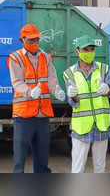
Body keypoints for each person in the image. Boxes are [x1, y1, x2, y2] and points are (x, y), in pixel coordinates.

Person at [6, 24, 66, 173]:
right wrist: (29, 91)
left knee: (42, 159)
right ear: (22, 40)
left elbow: (51, 79)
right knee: (19, 161)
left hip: (42, 115)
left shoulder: (45, 57)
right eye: (31, 40)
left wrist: (57, 90)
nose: (34, 43)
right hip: (23, 116)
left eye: (36, 40)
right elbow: (17, 82)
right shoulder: (16, 58)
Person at [63, 35, 110, 173]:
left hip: (101, 125)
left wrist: (107, 90)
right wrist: (73, 95)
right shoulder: (69, 73)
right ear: (77, 51)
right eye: (85, 50)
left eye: (91, 49)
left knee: (100, 167)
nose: (89, 53)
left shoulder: (103, 69)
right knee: (78, 167)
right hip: (81, 127)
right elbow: (72, 103)